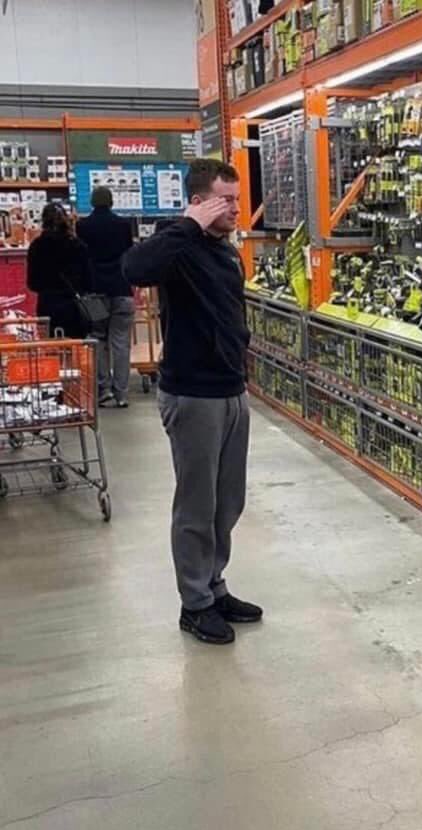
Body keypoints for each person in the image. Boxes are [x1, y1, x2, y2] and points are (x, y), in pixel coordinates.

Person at [123, 158, 260, 646]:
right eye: (226, 201)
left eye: (238, 200)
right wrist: (187, 224)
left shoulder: (226, 251)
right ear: (199, 202)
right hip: (192, 394)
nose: (236, 209)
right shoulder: (177, 245)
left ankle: (213, 584)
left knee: (227, 501)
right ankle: (195, 604)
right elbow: (134, 268)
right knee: (197, 504)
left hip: (230, 390)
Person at [77, 186, 135, 408]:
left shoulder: (82, 226)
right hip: (122, 289)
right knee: (121, 343)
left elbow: (82, 258)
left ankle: (104, 390)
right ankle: (122, 394)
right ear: (111, 201)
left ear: (92, 202)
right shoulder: (123, 225)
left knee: (98, 338)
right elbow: (129, 254)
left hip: (94, 291)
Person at [26, 203, 93, 338]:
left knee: (50, 347)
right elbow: (88, 281)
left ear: (44, 221)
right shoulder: (78, 245)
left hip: (47, 305)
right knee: (76, 347)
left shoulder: (37, 246)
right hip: (73, 306)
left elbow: (32, 283)